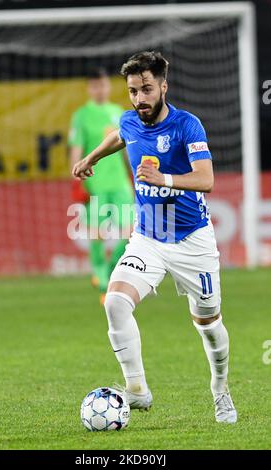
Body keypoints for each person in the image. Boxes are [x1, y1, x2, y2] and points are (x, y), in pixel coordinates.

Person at [72, 51, 237, 424]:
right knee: (114, 302)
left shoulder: (187, 125)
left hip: (193, 242)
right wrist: (92, 158)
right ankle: (137, 391)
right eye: (132, 91)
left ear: (163, 86)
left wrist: (161, 179)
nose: (139, 98)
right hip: (149, 238)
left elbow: (206, 179)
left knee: (209, 325)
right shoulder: (130, 120)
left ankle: (220, 390)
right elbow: (120, 135)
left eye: (146, 89)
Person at [68, 68, 133, 304]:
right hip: (95, 183)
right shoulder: (82, 115)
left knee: (132, 233)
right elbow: (75, 150)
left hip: (120, 183)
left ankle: (109, 269)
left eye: (103, 85)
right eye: (95, 86)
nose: (100, 90)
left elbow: (126, 149)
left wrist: (133, 175)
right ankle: (102, 277)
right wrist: (77, 181)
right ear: (89, 88)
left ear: (108, 86)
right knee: (96, 234)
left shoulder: (118, 112)